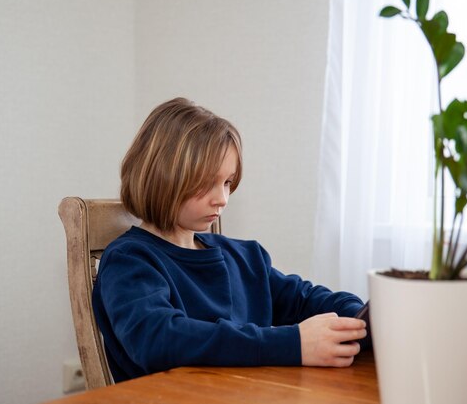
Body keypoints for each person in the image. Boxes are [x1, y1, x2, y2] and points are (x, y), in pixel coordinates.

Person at [92, 97, 368, 382]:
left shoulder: (244, 258)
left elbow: (304, 300)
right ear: (162, 177)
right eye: (206, 183)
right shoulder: (129, 261)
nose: (222, 199)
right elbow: (160, 340)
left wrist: (360, 320)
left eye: (227, 182)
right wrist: (292, 343)